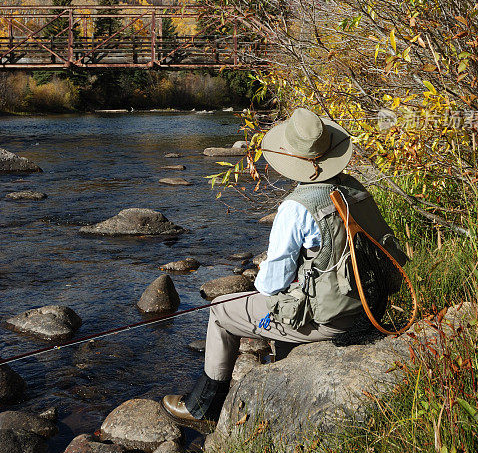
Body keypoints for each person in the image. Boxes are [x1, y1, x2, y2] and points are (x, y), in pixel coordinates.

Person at [161, 107, 406, 425]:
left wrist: (271, 271)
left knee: (220, 311)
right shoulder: (355, 190)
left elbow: (270, 286)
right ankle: (281, 372)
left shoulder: (297, 207)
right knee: (291, 294)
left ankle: (202, 407)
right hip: (371, 306)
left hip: (336, 320)